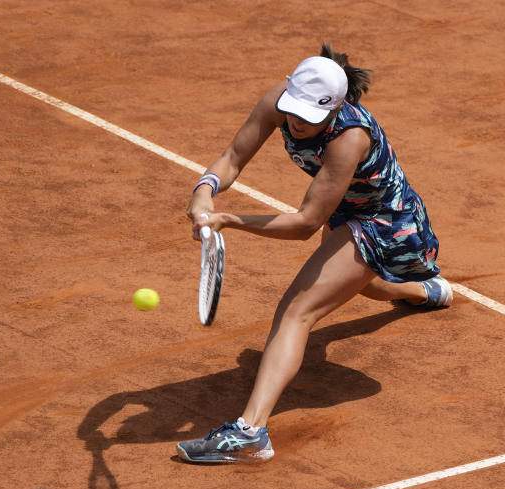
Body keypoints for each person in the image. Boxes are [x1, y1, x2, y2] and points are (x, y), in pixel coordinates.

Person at [177, 43, 451, 464]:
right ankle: (424, 292)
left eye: (309, 116)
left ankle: (250, 432)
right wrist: (204, 191)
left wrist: (228, 220)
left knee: (297, 310)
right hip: (348, 210)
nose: (296, 122)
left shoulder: (349, 139)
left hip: (388, 222)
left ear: (335, 108)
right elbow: (233, 156)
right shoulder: (280, 100)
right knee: (364, 286)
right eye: (293, 110)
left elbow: (305, 223)